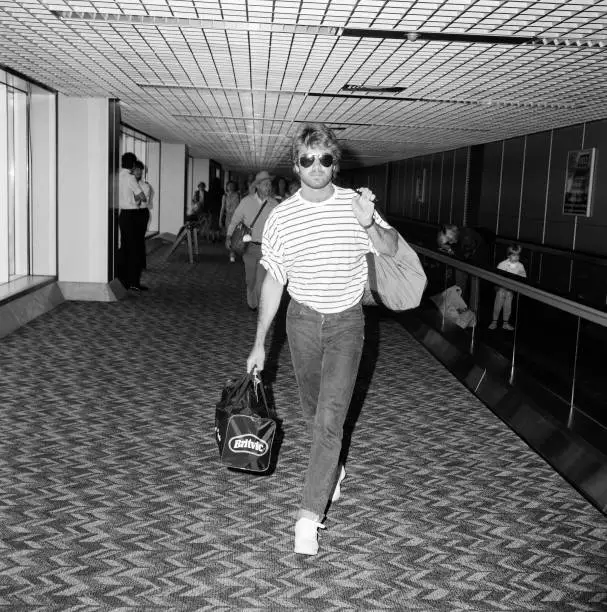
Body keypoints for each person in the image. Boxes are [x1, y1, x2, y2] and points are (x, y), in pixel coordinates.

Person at [245, 124, 398, 555]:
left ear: (335, 163)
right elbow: (274, 279)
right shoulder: (283, 216)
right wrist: (259, 343)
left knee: (330, 420)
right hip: (303, 323)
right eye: (308, 160)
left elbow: (389, 248)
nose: (317, 167)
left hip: (348, 323)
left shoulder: (354, 204)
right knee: (315, 413)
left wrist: (369, 225)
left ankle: (307, 520)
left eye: (326, 159)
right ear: (296, 165)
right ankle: (335, 468)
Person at [225, 170, 278, 310]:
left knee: (260, 281)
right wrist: (229, 236)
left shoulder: (274, 204)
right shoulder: (246, 201)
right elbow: (235, 220)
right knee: (251, 279)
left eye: (270, 184)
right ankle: (252, 299)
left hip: (267, 249)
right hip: (248, 247)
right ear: (258, 186)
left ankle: (257, 304)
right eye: (266, 184)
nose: (269, 187)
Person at [118, 152, 147, 292]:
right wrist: (139, 197)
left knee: (124, 249)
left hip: (122, 215)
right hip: (132, 216)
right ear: (133, 164)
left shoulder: (117, 175)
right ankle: (134, 282)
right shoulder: (130, 178)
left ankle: (123, 281)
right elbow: (141, 196)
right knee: (135, 250)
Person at [489, 244, 526, 331]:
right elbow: (496, 277)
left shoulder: (520, 266)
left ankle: (505, 323)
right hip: (501, 289)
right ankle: (494, 321)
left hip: (510, 290)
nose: (516, 257)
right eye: (514, 255)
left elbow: (523, 277)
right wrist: (497, 286)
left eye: (518, 255)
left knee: (508, 306)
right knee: (498, 304)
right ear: (508, 255)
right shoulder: (502, 264)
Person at [132, 161, 153, 279]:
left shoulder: (145, 186)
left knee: (139, 239)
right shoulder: (128, 184)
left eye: (140, 170)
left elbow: (138, 200)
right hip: (131, 213)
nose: (138, 172)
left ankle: (141, 264)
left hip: (141, 213)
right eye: (136, 169)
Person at [220, 180, 241, 262]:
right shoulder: (224, 196)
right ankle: (232, 253)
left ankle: (233, 252)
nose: (231, 187)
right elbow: (222, 208)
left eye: (232, 185)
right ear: (227, 187)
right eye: (229, 185)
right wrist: (220, 219)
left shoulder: (238, 195)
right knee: (229, 235)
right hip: (228, 217)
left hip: (237, 217)